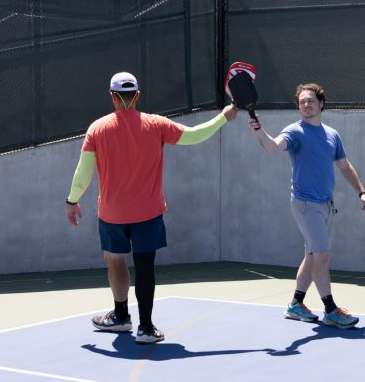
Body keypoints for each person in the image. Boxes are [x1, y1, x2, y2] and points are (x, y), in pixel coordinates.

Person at [66, 72, 237, 343]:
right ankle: (145, 327)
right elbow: (194, 136)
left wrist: (72, 201)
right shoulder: (156, 124)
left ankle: (121, 316)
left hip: (112, 214)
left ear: (112, 96)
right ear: (138, 95)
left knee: (115, 260)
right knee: (145, 266)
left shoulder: (97, 128)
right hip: (148, 213)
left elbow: (83, 172)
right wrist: (223, 118)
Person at [247, 83, 365, 329]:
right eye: (302, 101)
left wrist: (362, 192)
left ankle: (296, 304)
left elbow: (345, 166)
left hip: (326, 205)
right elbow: (273, 146)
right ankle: (330, 309)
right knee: (323, 255)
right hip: (305, 204)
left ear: (321, 104)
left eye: (310, 101)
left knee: (313, 255)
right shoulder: (295, 131)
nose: (305, 105)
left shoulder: (331, 135)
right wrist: (259, 131)